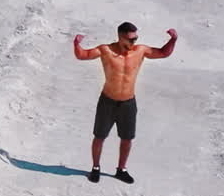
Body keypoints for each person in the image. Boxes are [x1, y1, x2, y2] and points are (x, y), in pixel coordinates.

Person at [73, 22, 177, 183]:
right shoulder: (105, 50)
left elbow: (163, 53)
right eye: (131, 40)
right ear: (121, 38)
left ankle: (121, 169)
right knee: (99, 136)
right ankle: (95, 168)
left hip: (128, 103)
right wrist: (76, 44)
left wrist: (173, 40)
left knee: (127, 138)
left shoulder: (140, 51)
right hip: (107, 101)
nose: (134, 43)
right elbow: (82, 55)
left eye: (136, 38)